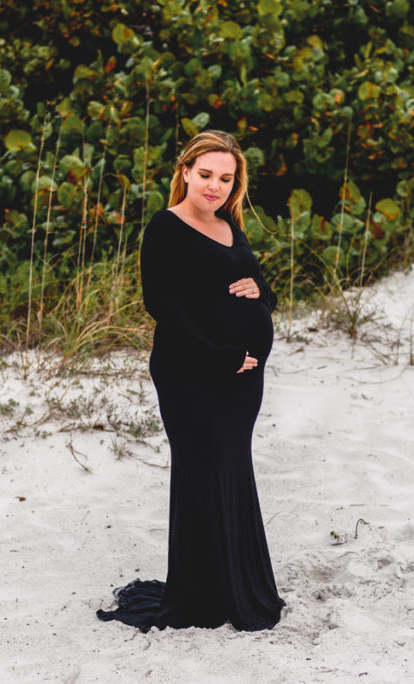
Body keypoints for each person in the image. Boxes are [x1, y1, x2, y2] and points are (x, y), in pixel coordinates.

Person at [95, 130, 285, 632]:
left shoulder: (229, 224)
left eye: (226, 179)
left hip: (242, 380)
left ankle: (233, 585)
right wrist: (222, 355)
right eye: (206, 175)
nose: (214, 187)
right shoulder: (166, 226)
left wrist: (259, 294)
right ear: (184, 172)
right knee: (202, 471)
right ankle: (201, 594)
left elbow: (264, 291)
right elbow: (162, 304)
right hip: (191, 371)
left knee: (232, 470)